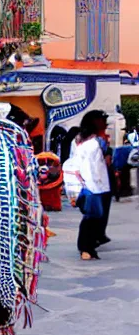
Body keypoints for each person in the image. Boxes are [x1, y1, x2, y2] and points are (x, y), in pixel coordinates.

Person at [72, 110, 111, 260]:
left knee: (96, 215)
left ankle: (89, 245)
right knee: (93, 215)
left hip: (99, 182)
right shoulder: (91, 141)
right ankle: (85, 247)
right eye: (102, 120)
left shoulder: (96, 139)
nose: (105, 123)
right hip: (90, 183)